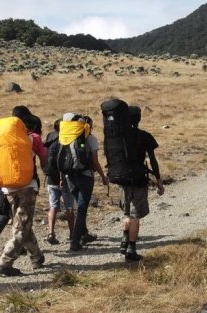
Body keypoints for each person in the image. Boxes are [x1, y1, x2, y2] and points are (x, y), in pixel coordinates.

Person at [0, 107, 47, 276]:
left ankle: (36, 257)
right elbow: (45, 158)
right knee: (21, 226)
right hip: (27, 186)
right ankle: (5, 261)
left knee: (23, 223)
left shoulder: (2, 139)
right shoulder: (33, 138)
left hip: (8, 187)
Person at [0, 106, 31, 254]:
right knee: (19, 212)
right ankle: (18, 245)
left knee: (5, 209)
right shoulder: (19, 132)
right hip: (16, 176)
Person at [119, 106, 164, 261]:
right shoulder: (145, 136)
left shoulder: (120, 136)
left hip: (123, 179)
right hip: (138, 179)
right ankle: (131, 249)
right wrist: (158, 180)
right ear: (139, 119)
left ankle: (124, 240)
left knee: (126, 212)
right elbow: (152, 160)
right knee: (135, 215)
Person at [62, 113, 108, 252]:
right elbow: (95, 161)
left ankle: (84, 233)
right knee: (82, 209)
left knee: (80, 206)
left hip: (70, 176)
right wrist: (103, 176)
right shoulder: (91, 139)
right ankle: (75, 241)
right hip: (86, 177)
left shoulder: (66, 136)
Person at [43, 119, 75, 244]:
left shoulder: (50, 137)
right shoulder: (66, 139)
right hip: (66, 179)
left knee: (53, 206)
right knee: (69, 207)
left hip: (51, 178)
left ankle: (51, 232)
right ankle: (72, 234)